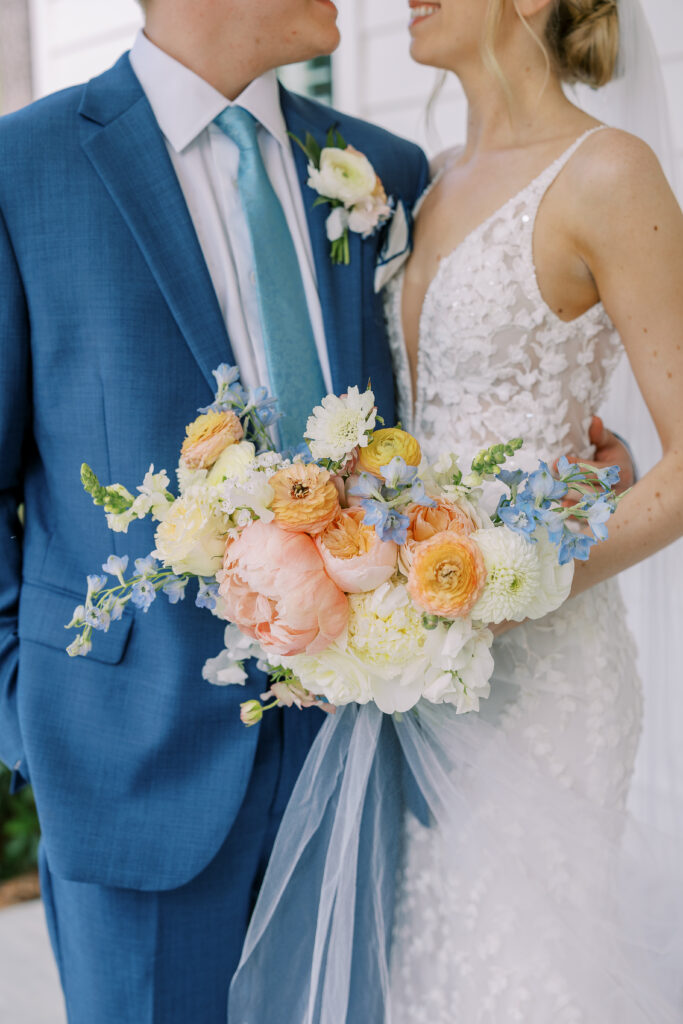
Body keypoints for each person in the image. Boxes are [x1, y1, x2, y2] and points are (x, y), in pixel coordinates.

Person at [227, 0, 683, 1021]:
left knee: (522, 976)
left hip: (544, 671)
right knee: (428, 969)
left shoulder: (608, 175)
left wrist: (514, 585)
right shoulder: (424, 181)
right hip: (415, 672)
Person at [0, 1, 433, 1021]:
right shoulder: (24, 169)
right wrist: (30, 707)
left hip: (355, 754)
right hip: (126, 757)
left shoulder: (383, 172)